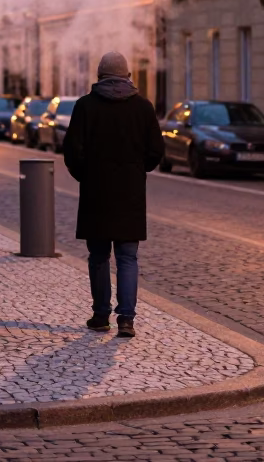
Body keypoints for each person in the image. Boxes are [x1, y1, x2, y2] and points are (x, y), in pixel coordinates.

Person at [62, 52, 165, 337]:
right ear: (127, 76)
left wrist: (86, 174)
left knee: (98, 256)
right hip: (130, 192)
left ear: (100, 76)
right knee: (128, 257)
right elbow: (156, 150)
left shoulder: (85, 106)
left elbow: (72, 150)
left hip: (96, 191)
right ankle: (127, 320)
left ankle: (101, 315)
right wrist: (137, 170)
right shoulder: (143, 108)